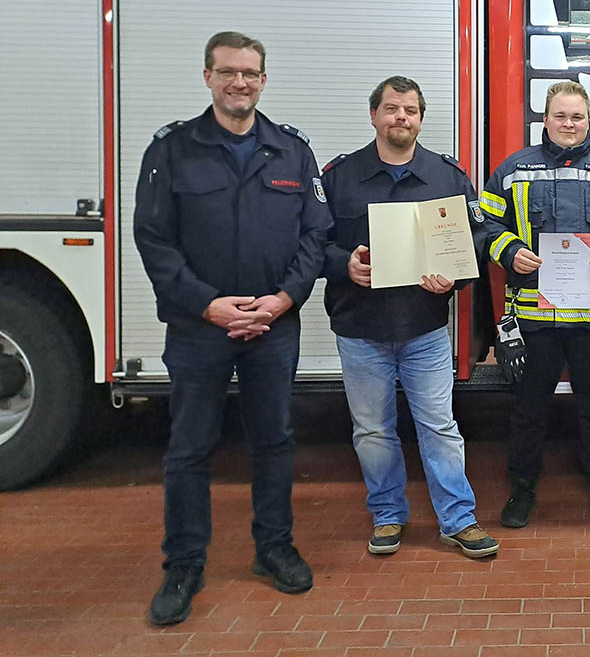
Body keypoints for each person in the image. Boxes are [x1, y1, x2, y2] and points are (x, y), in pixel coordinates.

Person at [133, 31, 330, 626]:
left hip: (274, 326)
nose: (239, 82)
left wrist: (282, 300)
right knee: (190, 448)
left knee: (274, 441)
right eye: (227, 72)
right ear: (208, 77)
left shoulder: (292, 150)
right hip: (200, 329)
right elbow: (154, 240)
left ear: (264, 79)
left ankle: (273, 548)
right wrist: (208, 305)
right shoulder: (172, 150)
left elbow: (314, 235)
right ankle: (184, 564)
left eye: (249, 73)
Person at [320, 75, 498, 560]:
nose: (402, 117)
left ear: (421, 118)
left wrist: (456, 278)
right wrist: (344, 264)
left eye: (411, 110)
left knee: (440, 426)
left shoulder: (447, 176)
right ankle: (387, 514)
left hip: (424, 329)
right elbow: (310, 243)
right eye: (393, 109)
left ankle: (458, 520)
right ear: (374, 114)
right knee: (373, 430)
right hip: (360, 330)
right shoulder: (338, 177)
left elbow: (477, 240)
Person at [480, 80, 590, 528]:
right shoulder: (513, 170)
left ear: (588, 119)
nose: (569, 124)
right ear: (545, 119)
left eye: (577, 116)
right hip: (533, 321)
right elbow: (482, 224)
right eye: (560, 115)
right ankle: (522, 491)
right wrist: (507, 250)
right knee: (528, 410)